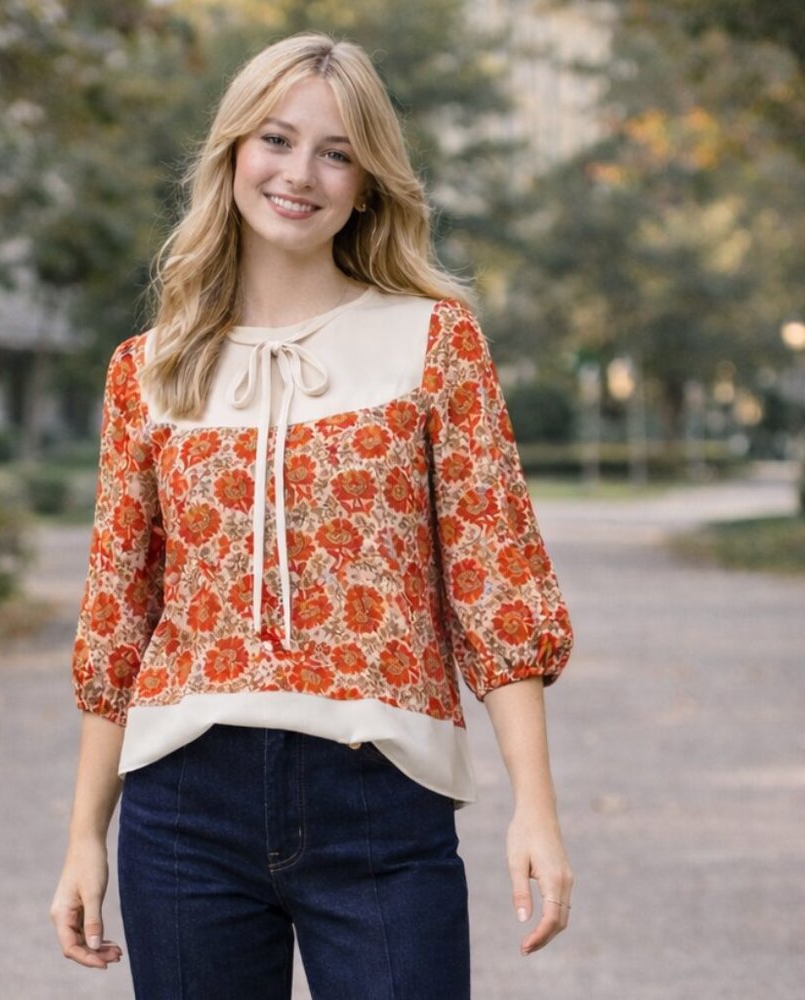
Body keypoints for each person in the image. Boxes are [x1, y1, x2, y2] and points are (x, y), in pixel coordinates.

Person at [51, 32, 574, 1000]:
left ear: (369, 182)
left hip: (380, 798)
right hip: (181, 805)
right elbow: (119, 613)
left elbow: (496, 583)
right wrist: (86, 834)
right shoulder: (149, 367)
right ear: (232, 155)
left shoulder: (434, 342)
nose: (302, 174)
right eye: (277, 141)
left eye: (336, 152)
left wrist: (533, 809)